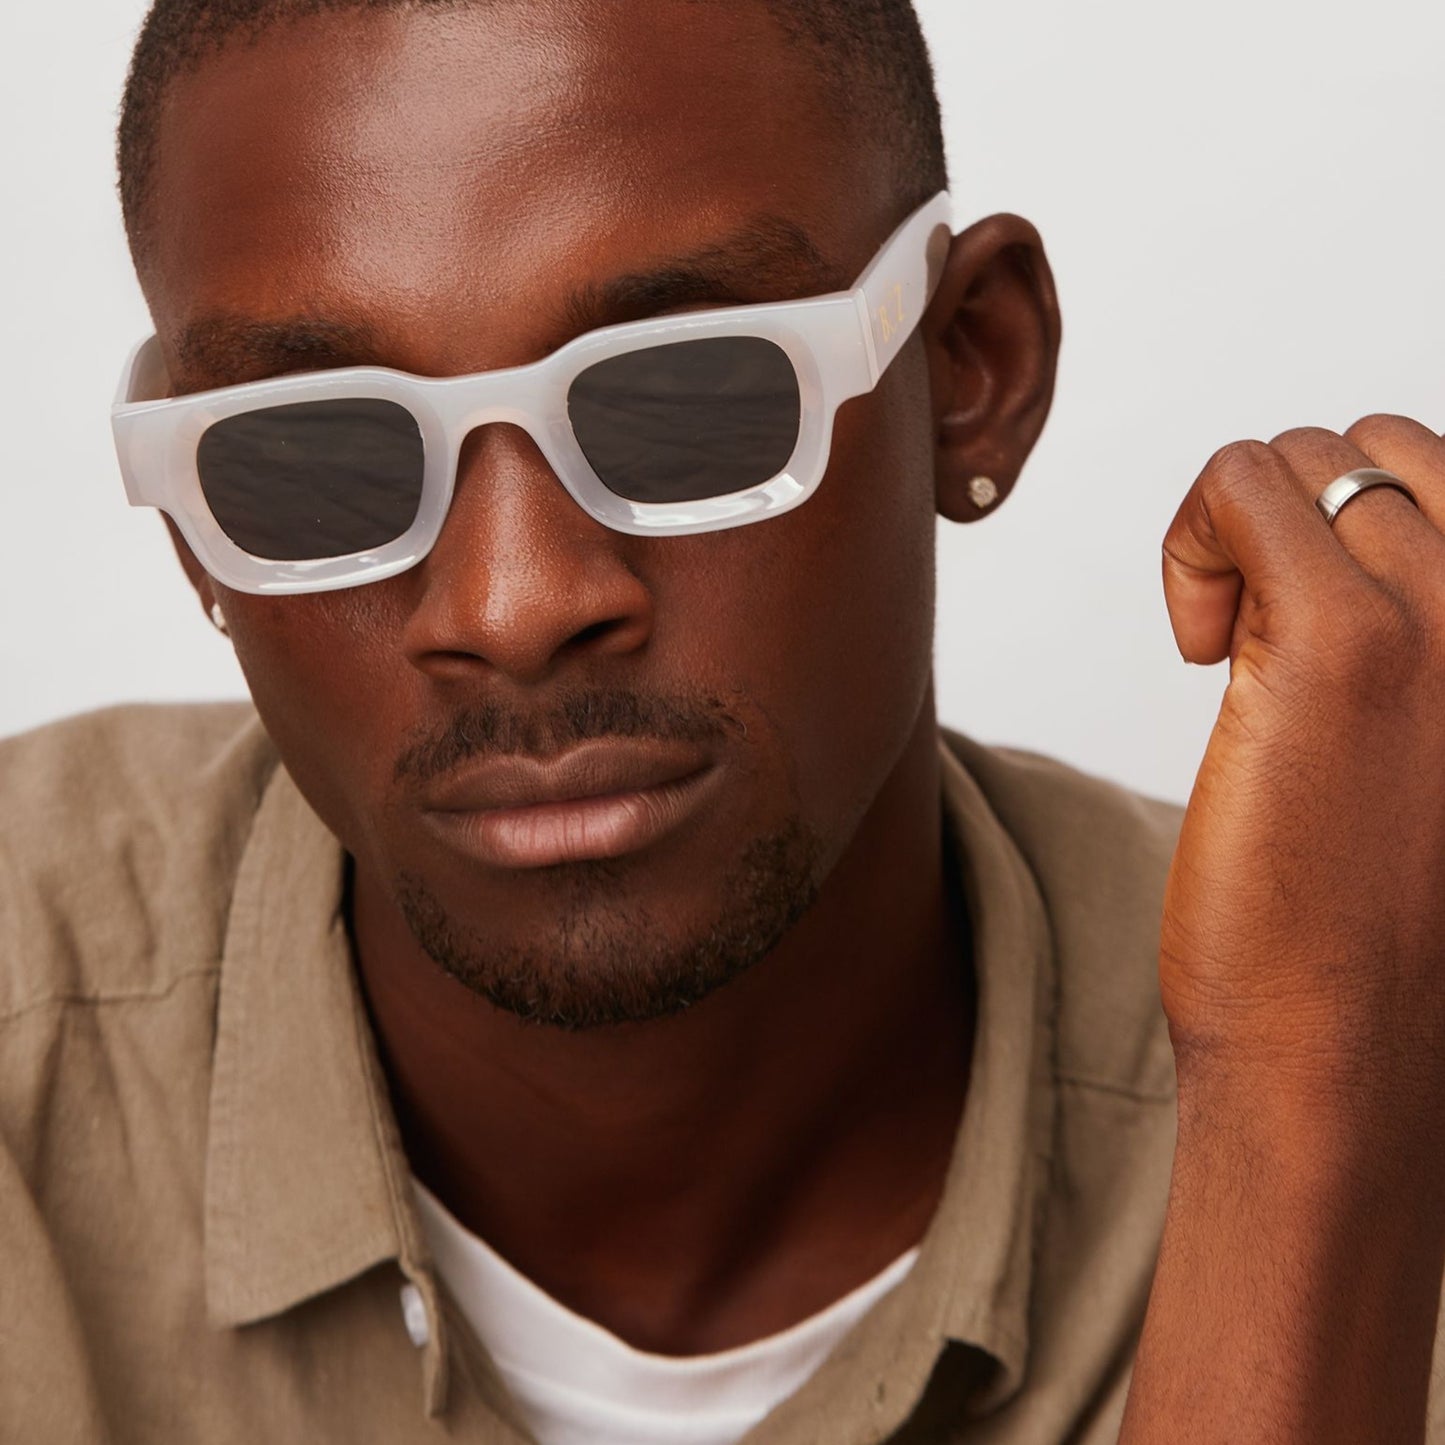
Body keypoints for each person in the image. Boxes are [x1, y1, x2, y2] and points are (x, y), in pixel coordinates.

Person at [2, 1, 1442, 1441]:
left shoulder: (1373, 1042)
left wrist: (1295, 1097)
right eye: (316, 457)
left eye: (680, 404)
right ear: (194, 525)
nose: (513, 602)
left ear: (969, 368)